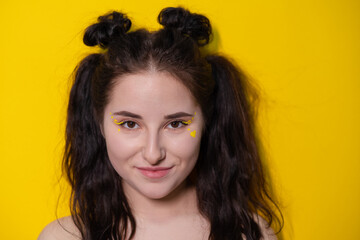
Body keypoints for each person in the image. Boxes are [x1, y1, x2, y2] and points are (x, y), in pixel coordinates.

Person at [38, 6, 283, 240]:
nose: (153, 154)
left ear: (207, 121)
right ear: (99, 123)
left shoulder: (250, 234)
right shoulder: (63, 237)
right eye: (130, 124)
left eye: (176, 124)